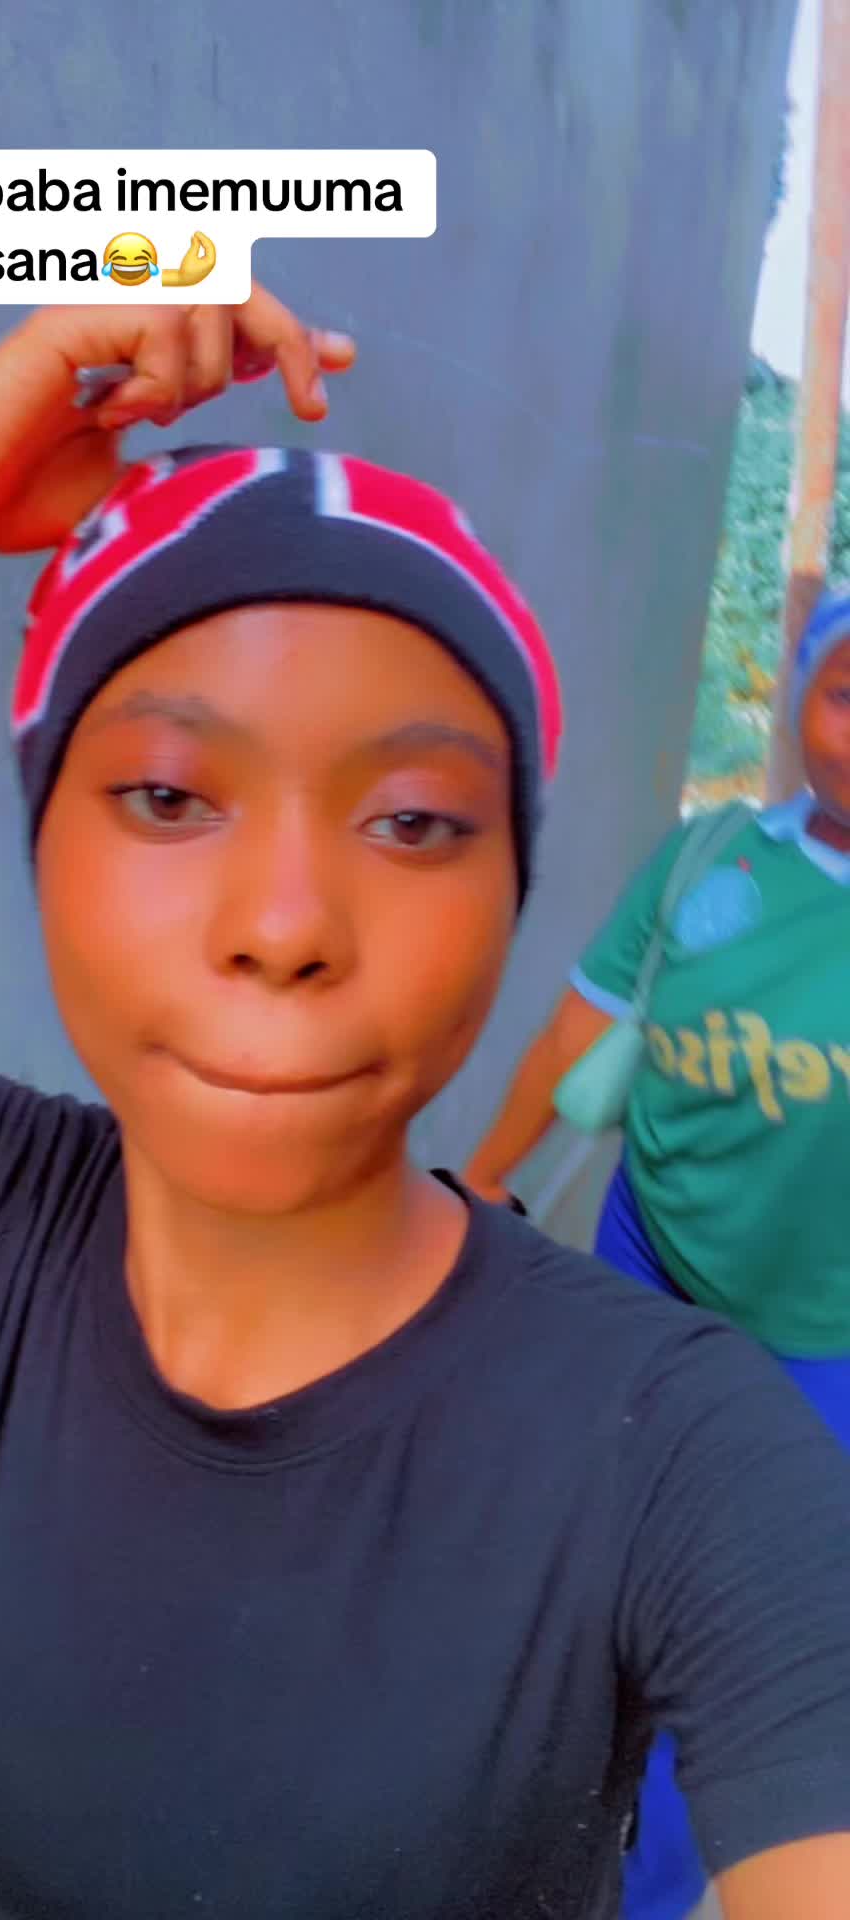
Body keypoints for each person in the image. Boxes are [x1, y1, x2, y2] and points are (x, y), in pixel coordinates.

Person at [0, 290, 850, 1920]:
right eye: (166, 795)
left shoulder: (682, 1449)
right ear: (42, 845)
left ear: (512, 892)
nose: (285, 924)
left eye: (413, 821)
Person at [465, 589, 850, 1920]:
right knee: (585, 1578)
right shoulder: (704, 866)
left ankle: (636, 1893)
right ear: (799, 700)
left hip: (827, 1352)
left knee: (747, 1638)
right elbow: (578, 1033)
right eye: (847, 693)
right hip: (649, 1275)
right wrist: (489, 1177)